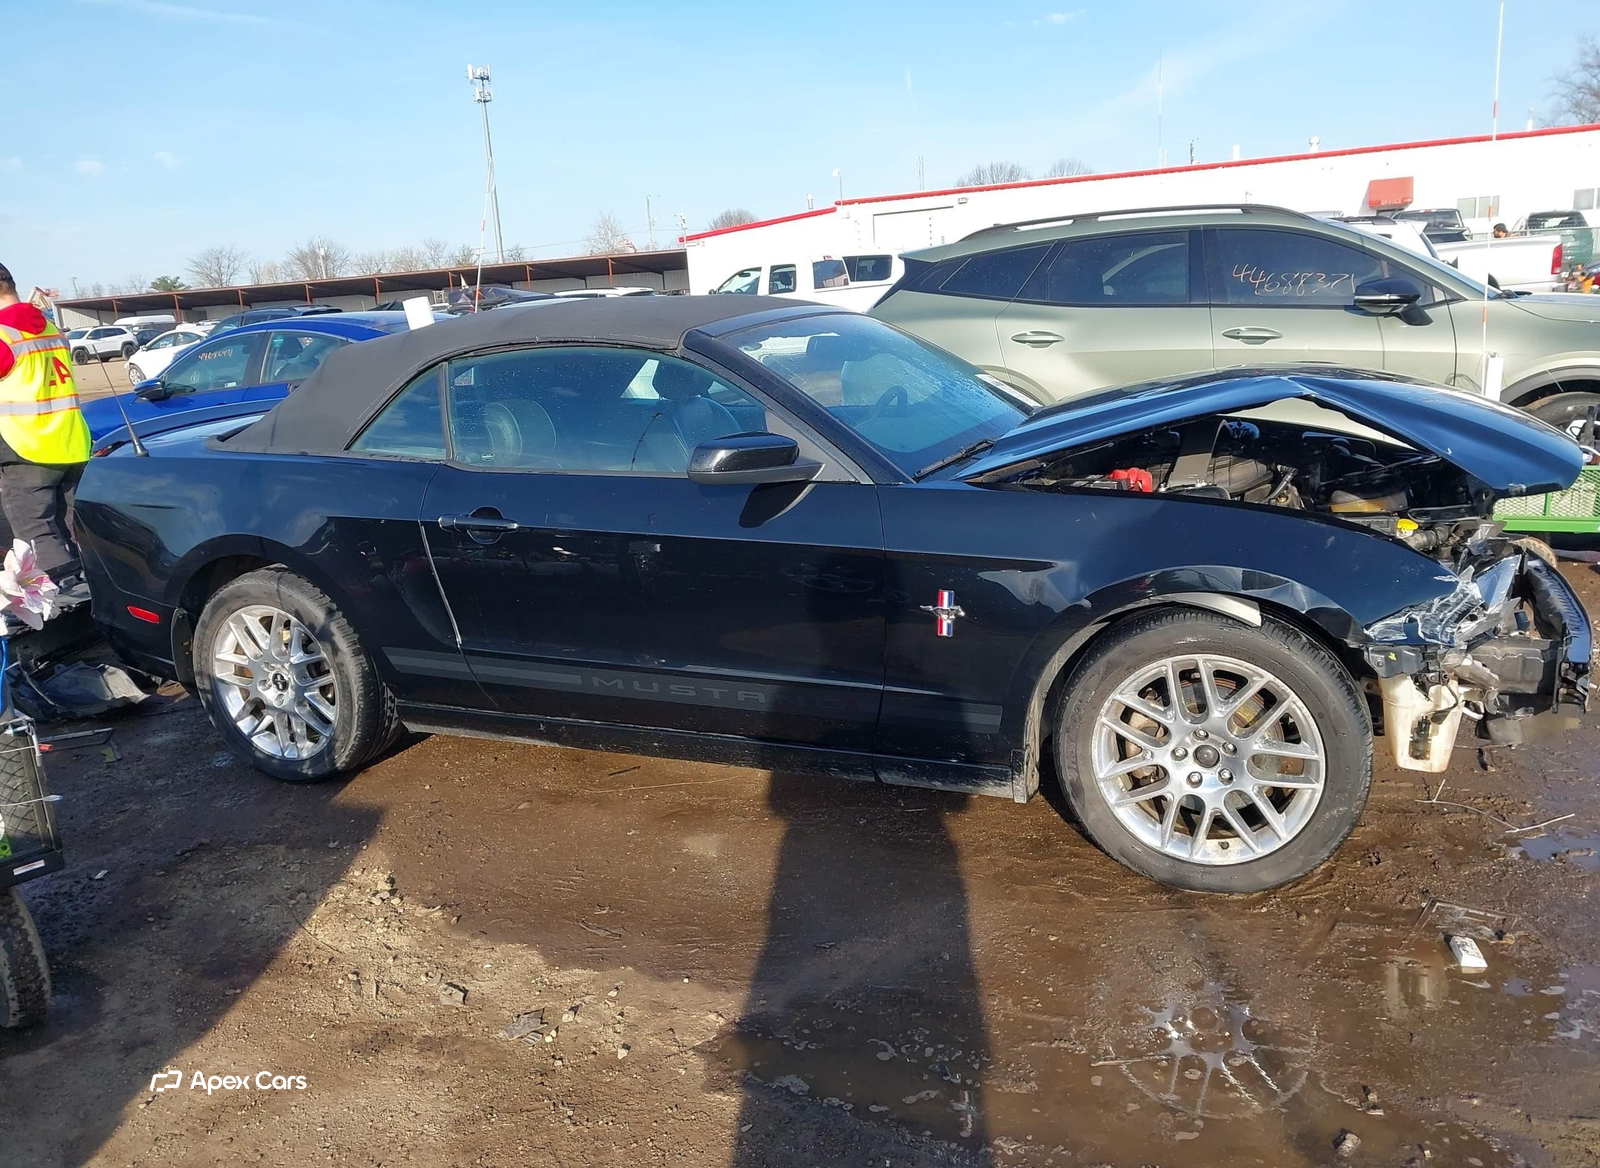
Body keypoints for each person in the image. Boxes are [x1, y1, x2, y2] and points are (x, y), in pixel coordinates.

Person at [0, 262, 92, 603]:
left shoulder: (3, 335)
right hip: (70, 441)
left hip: (27, 446)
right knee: (75, 526)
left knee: (36, 530)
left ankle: (65, 604)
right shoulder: (49, 327)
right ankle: (97, 591)